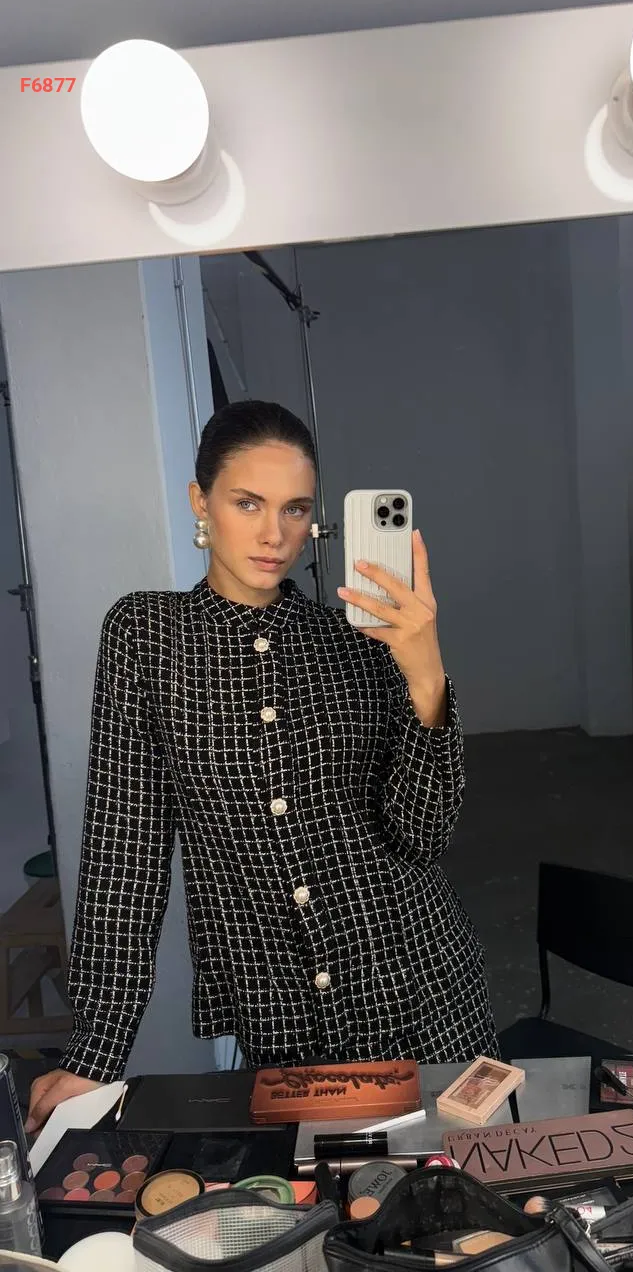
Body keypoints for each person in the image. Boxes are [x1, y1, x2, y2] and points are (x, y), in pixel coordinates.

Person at [27, 400, 498, 1132]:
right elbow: (126, 851)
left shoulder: (363, 640)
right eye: (248, 503)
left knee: (452, 1191)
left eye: (294, 509)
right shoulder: (146, 636)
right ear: (201, 501)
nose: (274, 534)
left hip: (419, 989)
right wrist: (96, 1049)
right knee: (308, 1193)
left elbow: (422, 835)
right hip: (279, 1010)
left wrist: (427, 673)